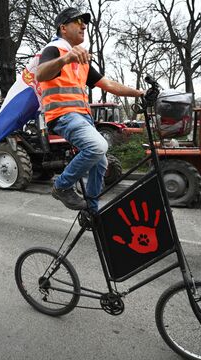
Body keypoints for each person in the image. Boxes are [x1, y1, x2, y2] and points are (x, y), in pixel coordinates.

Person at [35, 7, 143, 212]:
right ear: (63, 28)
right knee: (97, 146)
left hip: (82, 117)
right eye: (78, 21)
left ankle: (92, 210)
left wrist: (139, 93)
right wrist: (66, 58)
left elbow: (109, 85)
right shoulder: (54, 49)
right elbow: (40, 74)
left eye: (84, 22)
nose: (84, 26)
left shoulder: (81, 61)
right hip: (63, 115)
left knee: (100, 162)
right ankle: (62, 186)